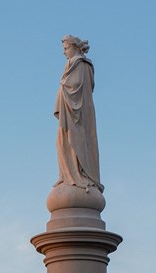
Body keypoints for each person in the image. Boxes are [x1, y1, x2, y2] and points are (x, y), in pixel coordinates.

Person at [55, 34, 102, 191]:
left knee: (76, 141)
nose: (64, 52)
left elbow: (76, 85)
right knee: (62, 141)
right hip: (68, 112)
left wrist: (63, 84)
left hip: (79, 114)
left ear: (75, 47)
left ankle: (80, 174)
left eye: (66, 48)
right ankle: (66, 174)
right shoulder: (69, 64)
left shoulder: (82, 64)